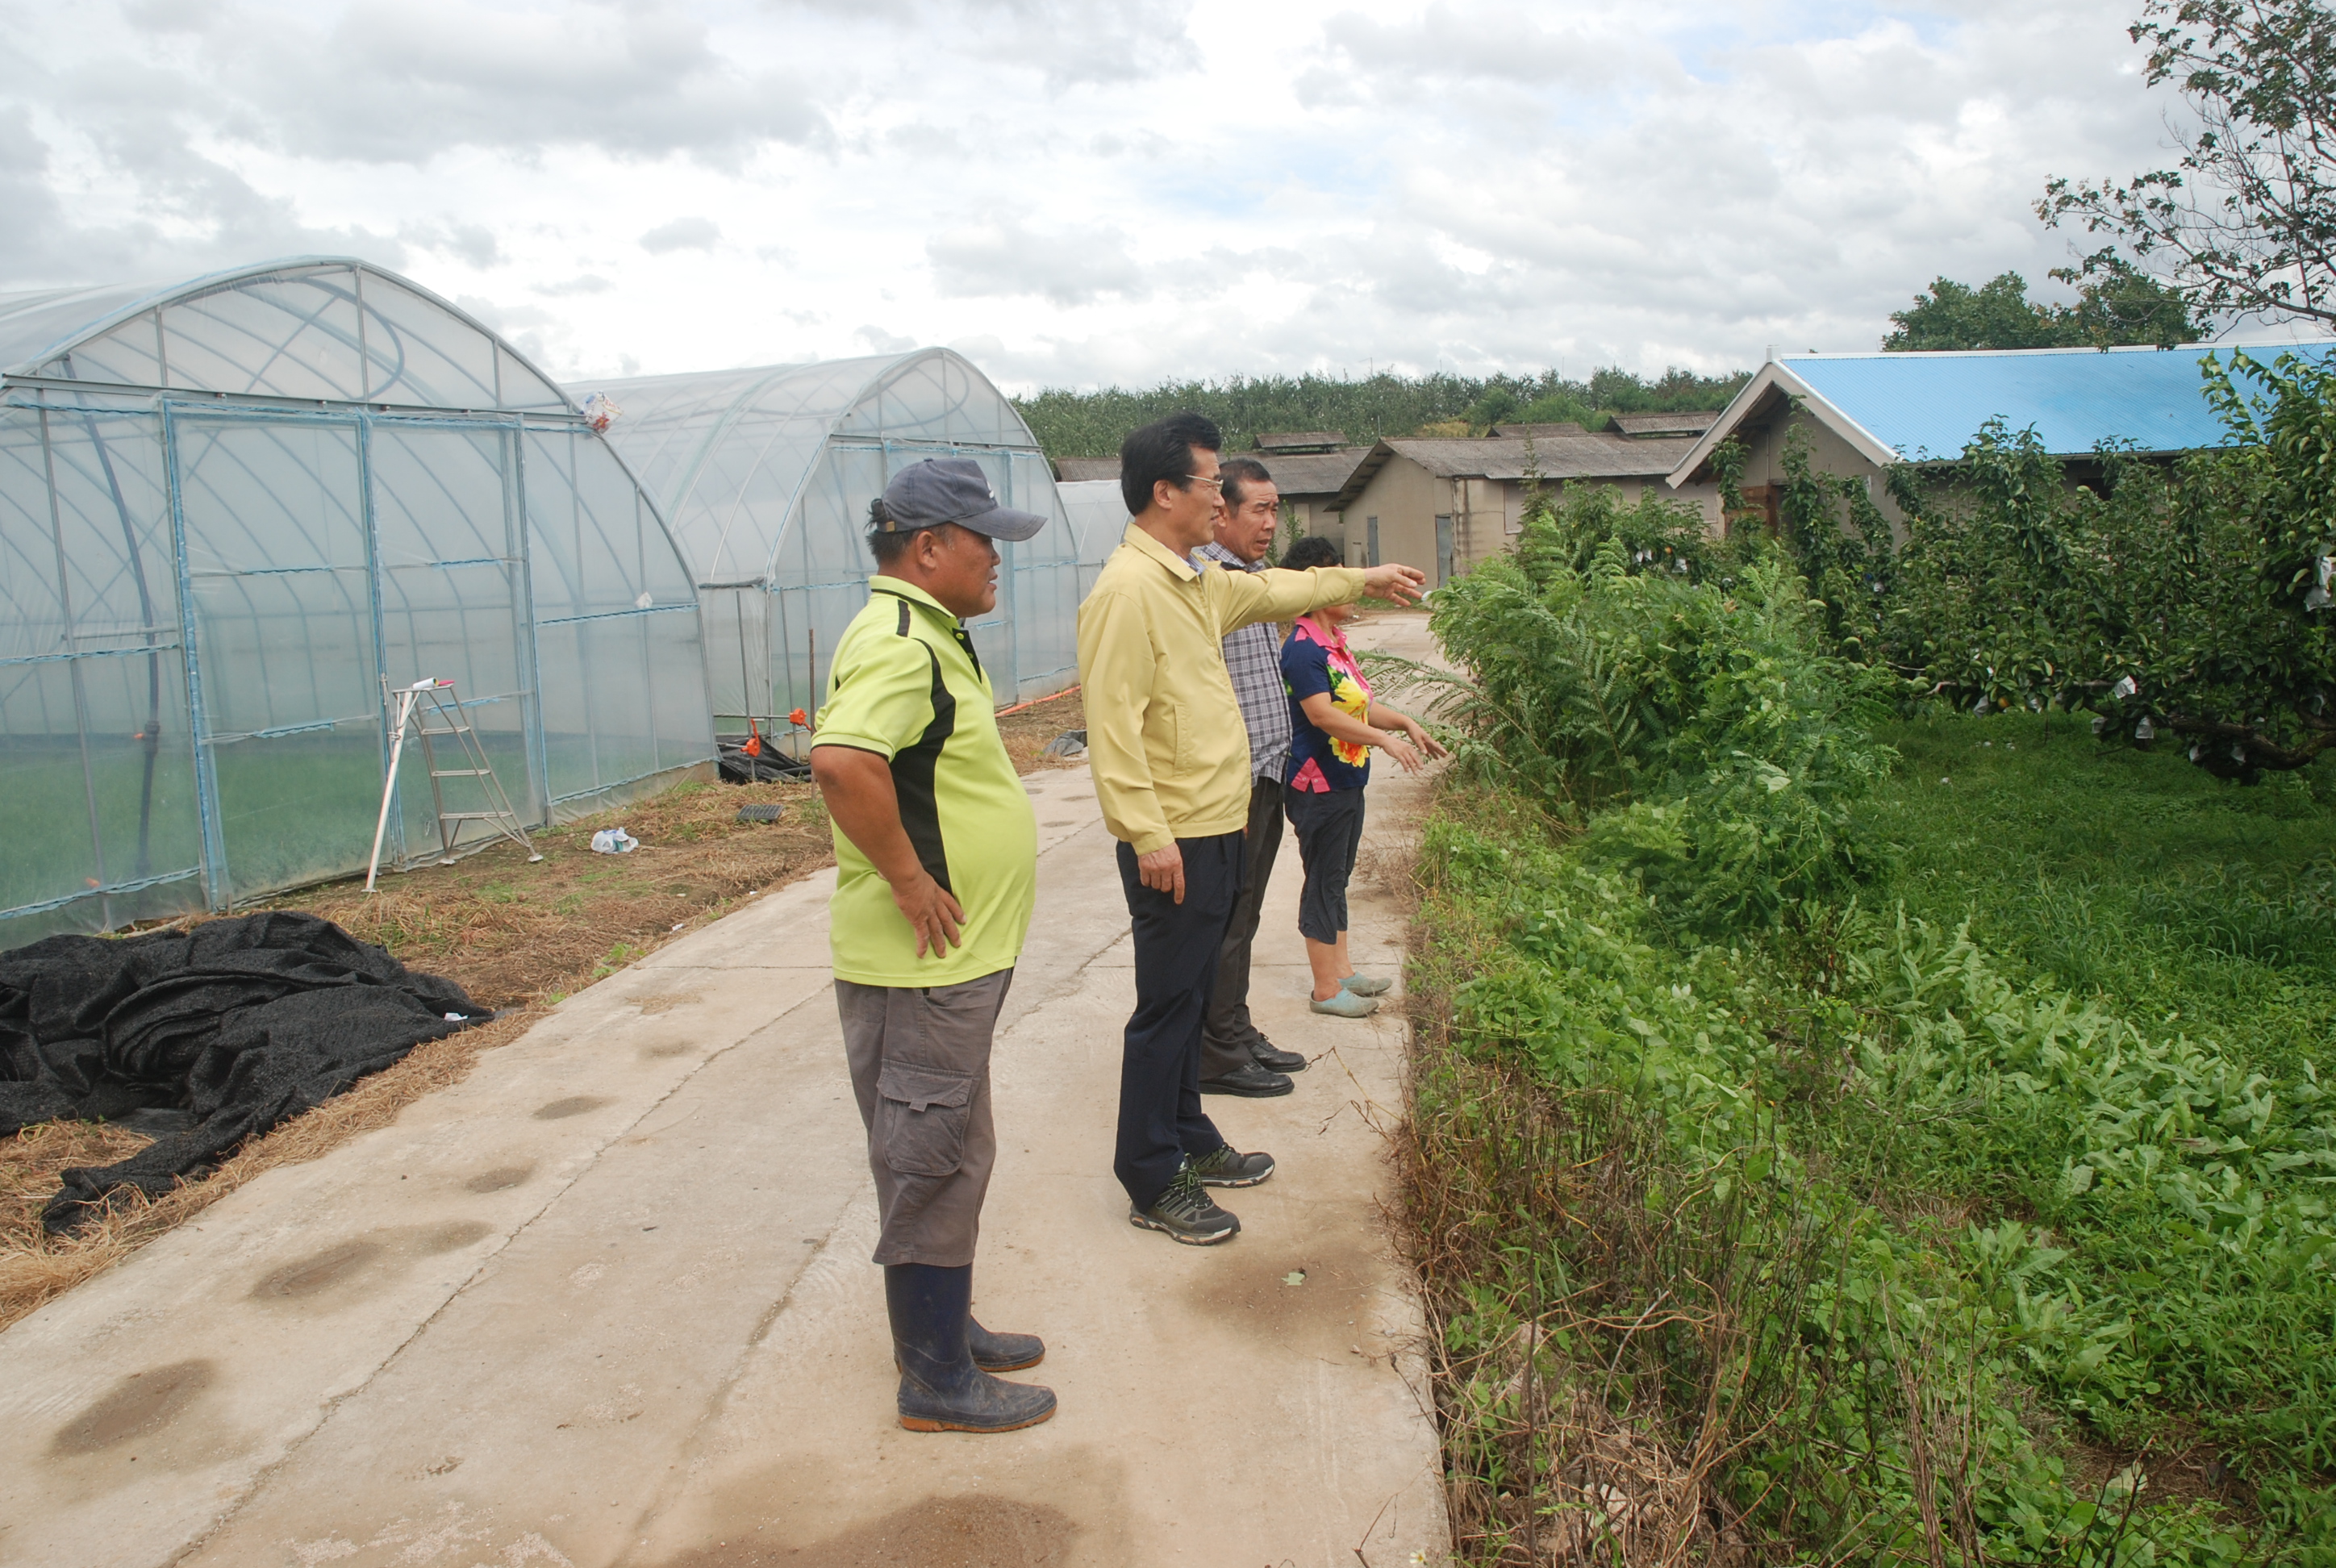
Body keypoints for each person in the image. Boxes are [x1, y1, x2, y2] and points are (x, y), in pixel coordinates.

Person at [1077, 413, 1426, 1246]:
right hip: (1175, 839)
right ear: (1166, 494)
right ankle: (1151, 1176)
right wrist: (1145, 833)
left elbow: (1272, 590)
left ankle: (1189, 1135)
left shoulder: (1191, 581)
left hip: (1216, 821)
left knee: (1195, 995)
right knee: (1165, 1009)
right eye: (1207, 485)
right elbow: (1112, 725)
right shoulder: (1126, 593)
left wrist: (1359, 577)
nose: (1216, 499)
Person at [809, 457, 1056, 1435]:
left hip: (951, 965)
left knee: (950, 1144)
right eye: (983, 540)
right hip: (922, 968)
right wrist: (911, 880)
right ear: (928, 548)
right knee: (930, 1155)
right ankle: (934, 1380)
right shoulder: (904, 642)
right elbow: (841, 762)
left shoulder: (929, 634)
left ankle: (945, 1329)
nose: (997, 558)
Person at [1277, 535, 1448, 1018]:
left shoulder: (1333, 645)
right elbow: (1323, 716)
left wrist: (1407, 724)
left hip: (1346, 778)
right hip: (1318, 784)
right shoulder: (1303, 650)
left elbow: (1363, 706)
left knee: (1337, 876)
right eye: (1339, 577)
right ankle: (1325, 990)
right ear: (1316, 590)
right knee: (1322, 880)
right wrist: (1383, 741)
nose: (1354, 587)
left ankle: (1343, 970)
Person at [1192, 456, 1310, 1099]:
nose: (1271, 522)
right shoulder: (1211, 580)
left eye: (1275, 509)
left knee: (1249, 909)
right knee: (1227, 915)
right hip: (1232, 779)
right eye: (1259, 510)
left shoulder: (1258, 576)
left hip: (1269, 766)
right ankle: (1216, 1051)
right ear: (1223, 512)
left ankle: (1234, 1029)